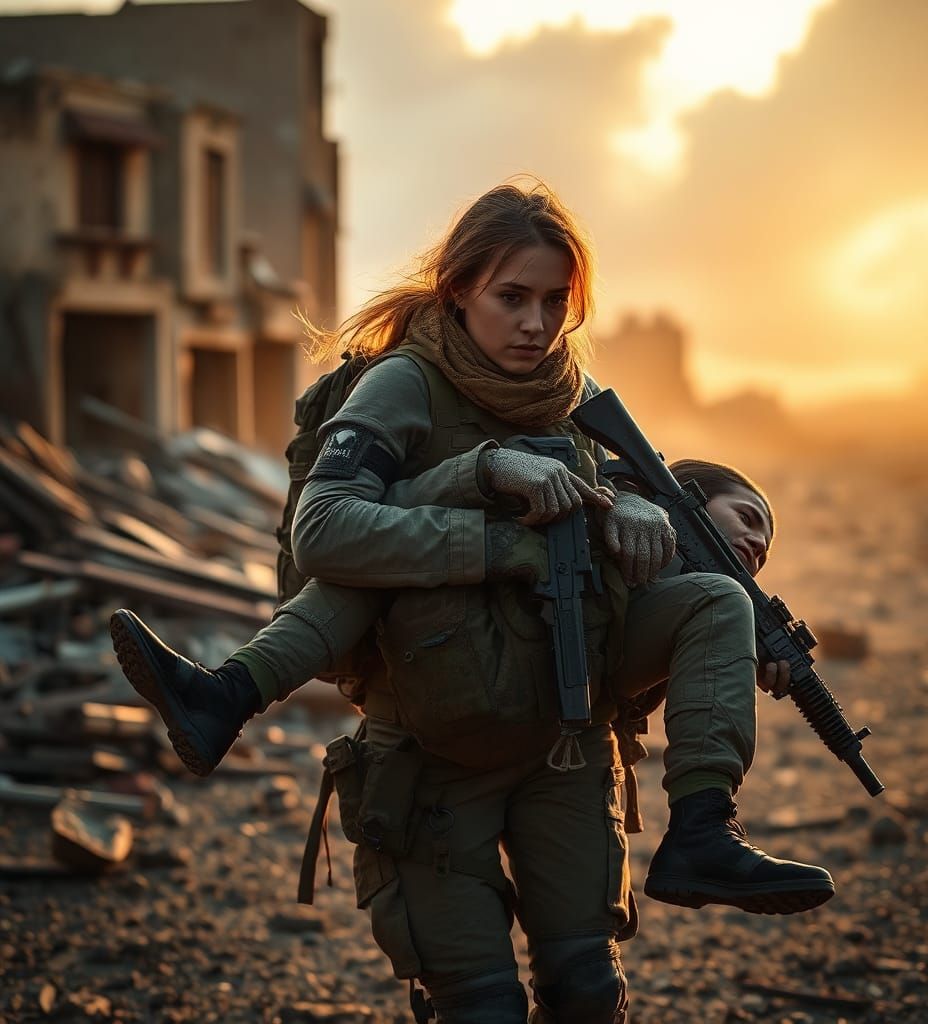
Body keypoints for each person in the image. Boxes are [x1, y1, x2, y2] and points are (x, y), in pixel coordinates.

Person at [111, 181, 833, 1024]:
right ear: (458, 291)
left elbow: (632, 543)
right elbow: (327, 533)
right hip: (430, 741)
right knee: (480, 1006)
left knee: (588, 992)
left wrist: (647, 521)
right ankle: (226, 694)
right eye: (511, 298)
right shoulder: (404, 385)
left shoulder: (576, 402)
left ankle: (704, 831)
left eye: (555, 302)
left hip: (562, 742)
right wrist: (493, 520)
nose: (535, 323)